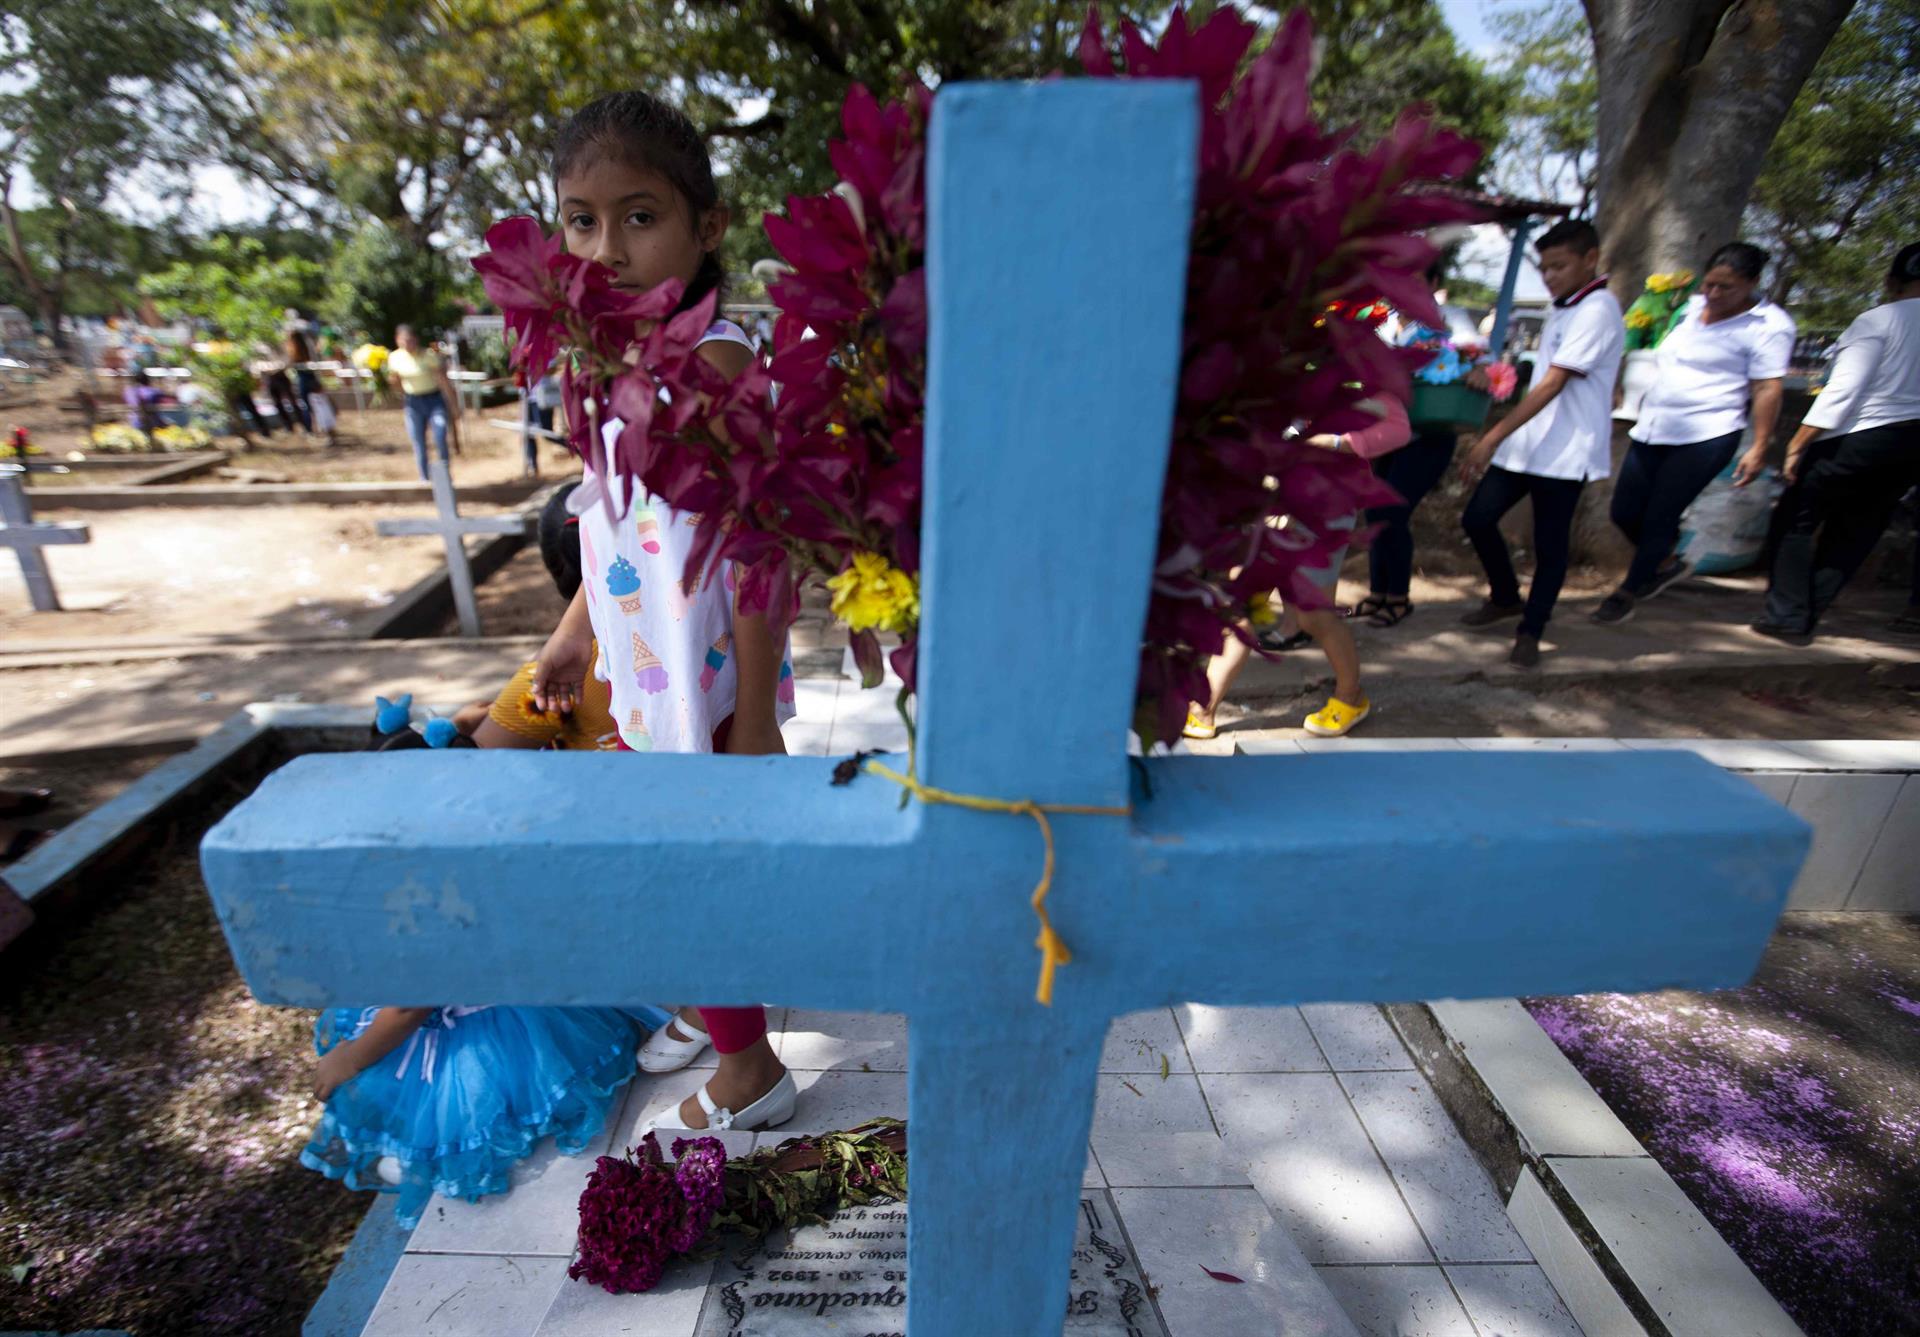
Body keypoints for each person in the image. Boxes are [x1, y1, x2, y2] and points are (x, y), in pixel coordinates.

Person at [529, 90, 799, 1133]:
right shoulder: (587, 360)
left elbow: (766, 541)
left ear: (706, 226)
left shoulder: (716, 360)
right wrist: (570, 633)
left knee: (694, 863)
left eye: (640, 216)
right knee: (679, 845)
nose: (607, 247)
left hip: (715, 669)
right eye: (580, 221)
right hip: (648, 666)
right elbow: (612, 528)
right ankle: (707, 999)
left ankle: (751, 1069)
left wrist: (760, 715)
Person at [302, 999, 642, 1228]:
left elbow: (408, 1009)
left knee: (457, 1095)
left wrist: (350, 1060)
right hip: (497, 985)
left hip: (486, 1023)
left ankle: (458, 1147)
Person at [1186, 395, 1412, 740]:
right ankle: (1203, 709)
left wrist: (1341, 442)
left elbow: (1398, 429)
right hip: (1266, 508)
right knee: (1240, 609)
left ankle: (1350, 698)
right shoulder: (1270, 364)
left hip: (1325, 510)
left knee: (1314, 615)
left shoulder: (1356, 373)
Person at [1593, 242, 1794, 625]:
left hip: (1709, 433)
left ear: (1751, 283)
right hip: (1655, 425)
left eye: (1727, 288)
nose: (1714, 295)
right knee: (1625, 511)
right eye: (1710, 285)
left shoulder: (1771, 326)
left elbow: (1768, 388)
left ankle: (1627, 592)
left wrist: (1760, 446)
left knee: (1660, 516)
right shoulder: (1687, 308)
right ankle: (1666, 561)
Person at [1457, 220, 1625, 668]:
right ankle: (1507, 596)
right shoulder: (1565, 307)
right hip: (1529, 443)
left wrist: (1489, 438)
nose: (1549, 276)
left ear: (1590, 259)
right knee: (1478, 518)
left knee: (1550, 546)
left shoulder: (1598, 308)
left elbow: (1552, 384)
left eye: (1559, 266)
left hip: (1565, 452)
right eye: (1545, 268)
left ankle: (1531, 629)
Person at [1751, 242, 1920, 644]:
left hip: (1857, 435)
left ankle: (1786, 615)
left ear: (1891, 281)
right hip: (1912, 444)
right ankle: (1810, 612)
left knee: (1795, 518)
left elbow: (1843, 389)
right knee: (1858, 528)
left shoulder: (1879, 319)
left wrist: (1799, 441)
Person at [1350, 259, 1481, 628]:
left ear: (1434, 281)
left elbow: (1480, 361)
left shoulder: (1452, 323)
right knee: (1377, 512)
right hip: (1386, 435)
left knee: (1393, 512)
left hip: (1428, 435)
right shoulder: (1382, 321)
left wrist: (1479, 371)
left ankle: (1399, 598)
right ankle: (1378, 594)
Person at [387, 324, 464, 479]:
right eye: (404, 340)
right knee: (418, 441)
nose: (408, 344)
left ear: (415, 340)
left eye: (410, 340)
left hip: (433, 399)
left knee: (440, 434)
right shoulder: (395, 358)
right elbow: (395, 381)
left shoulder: (429, 355)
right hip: (413, 402)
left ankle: (444, 472)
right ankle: (424, 477)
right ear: (398, 340)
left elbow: (443, 380)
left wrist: (453, 404)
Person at [285, 329, 338, 447]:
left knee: (311, 407)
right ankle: (324, 430)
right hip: (312, 382)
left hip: (305, 382)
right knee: (318, 407)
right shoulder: (308, 350)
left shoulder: (296, 352)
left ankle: (313, 429)